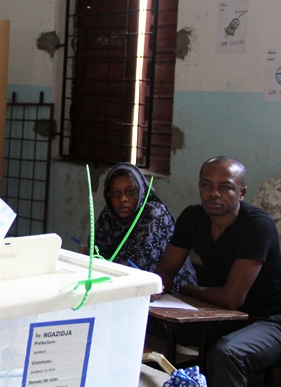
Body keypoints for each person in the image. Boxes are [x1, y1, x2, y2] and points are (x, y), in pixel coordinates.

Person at [154, 156, 281, 387]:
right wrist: (153, 289)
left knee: (226, 353)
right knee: (146, 325)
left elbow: (232, 298)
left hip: (268, 322)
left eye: (225, 187)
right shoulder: (192, 217)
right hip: (222, 316)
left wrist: (190, 289)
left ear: (241, 192)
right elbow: (166, 271)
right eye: (206, 185)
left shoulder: (257, 226)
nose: (213, 193)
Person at [91, 163, 197, 290]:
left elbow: (134, 264)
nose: (123, 199)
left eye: (130, 192)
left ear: (141, 191)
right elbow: (94, 253)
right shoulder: (109, 214)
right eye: (115, 193)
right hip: (126, 288)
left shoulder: (154, 214)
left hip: (174, 293)